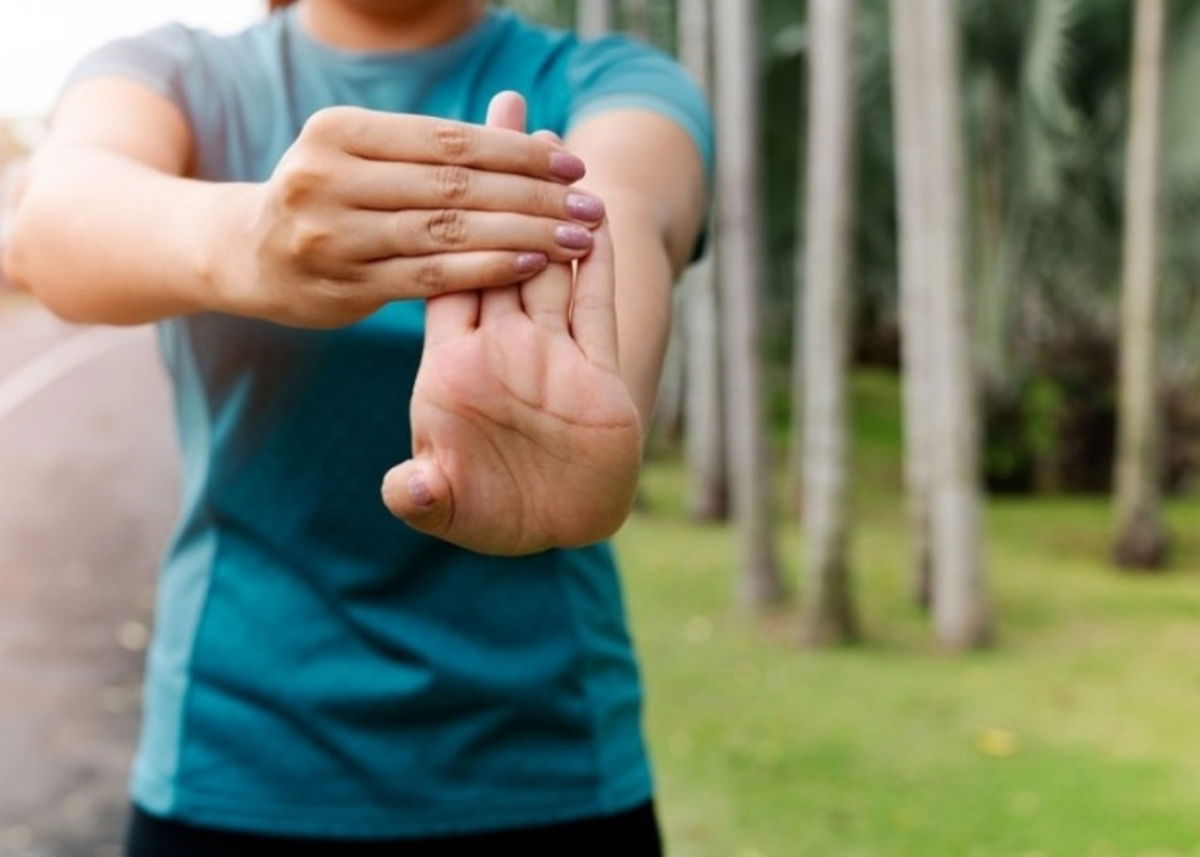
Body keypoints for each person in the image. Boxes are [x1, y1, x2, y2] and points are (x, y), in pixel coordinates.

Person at [2, 0, 710, 853]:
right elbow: (57, 213)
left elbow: (626, 207)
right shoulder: (180, 73)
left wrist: (596, 385)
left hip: (548, 770)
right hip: (236, 762)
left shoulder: (610, 80)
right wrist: (255, 239)